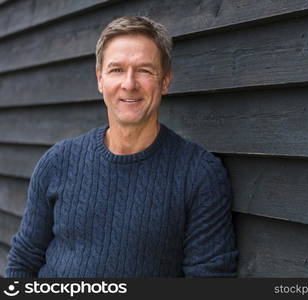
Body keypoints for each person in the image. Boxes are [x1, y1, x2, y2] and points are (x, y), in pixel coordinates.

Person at [6, 16, 238, 277]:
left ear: (165, 80)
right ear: (100, 79)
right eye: (117, 69)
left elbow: (209, 277)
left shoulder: (198, 173)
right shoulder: (57, 162)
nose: (129, 83)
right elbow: (24, 261)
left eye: (144, 70)